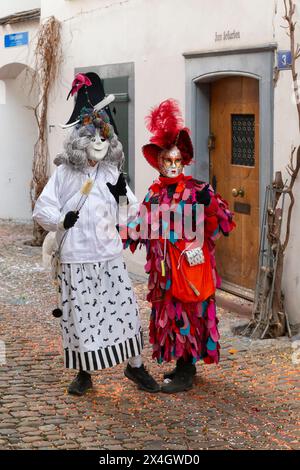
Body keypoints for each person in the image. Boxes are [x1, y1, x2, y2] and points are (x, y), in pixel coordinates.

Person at [33, 72, 159, 395]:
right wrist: (62, 220)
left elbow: (127, 212)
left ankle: (135, 367)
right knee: (80, 319)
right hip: (76, 258)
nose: (98, 142)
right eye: (92, 135)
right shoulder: (64, 173)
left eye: (102, 135)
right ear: (81, 137)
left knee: (125, 313)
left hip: (109, 256)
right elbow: (41, 210)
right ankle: (83, 374)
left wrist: (120, 193)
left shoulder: (111, 171)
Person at [120, 99, 235, 393]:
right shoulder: (154, 194)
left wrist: (209, 205)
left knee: (193, 316)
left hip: (191, 268)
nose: (172, 166)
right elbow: (137, 229)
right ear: (159, 162)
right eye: (166, 161)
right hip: (164, 273)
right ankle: (183, 364)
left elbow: (223, 222)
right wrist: (117, 212)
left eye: (177, 162)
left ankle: (187, 369)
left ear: (183, 162)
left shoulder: (198, 190)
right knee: (170, 317)